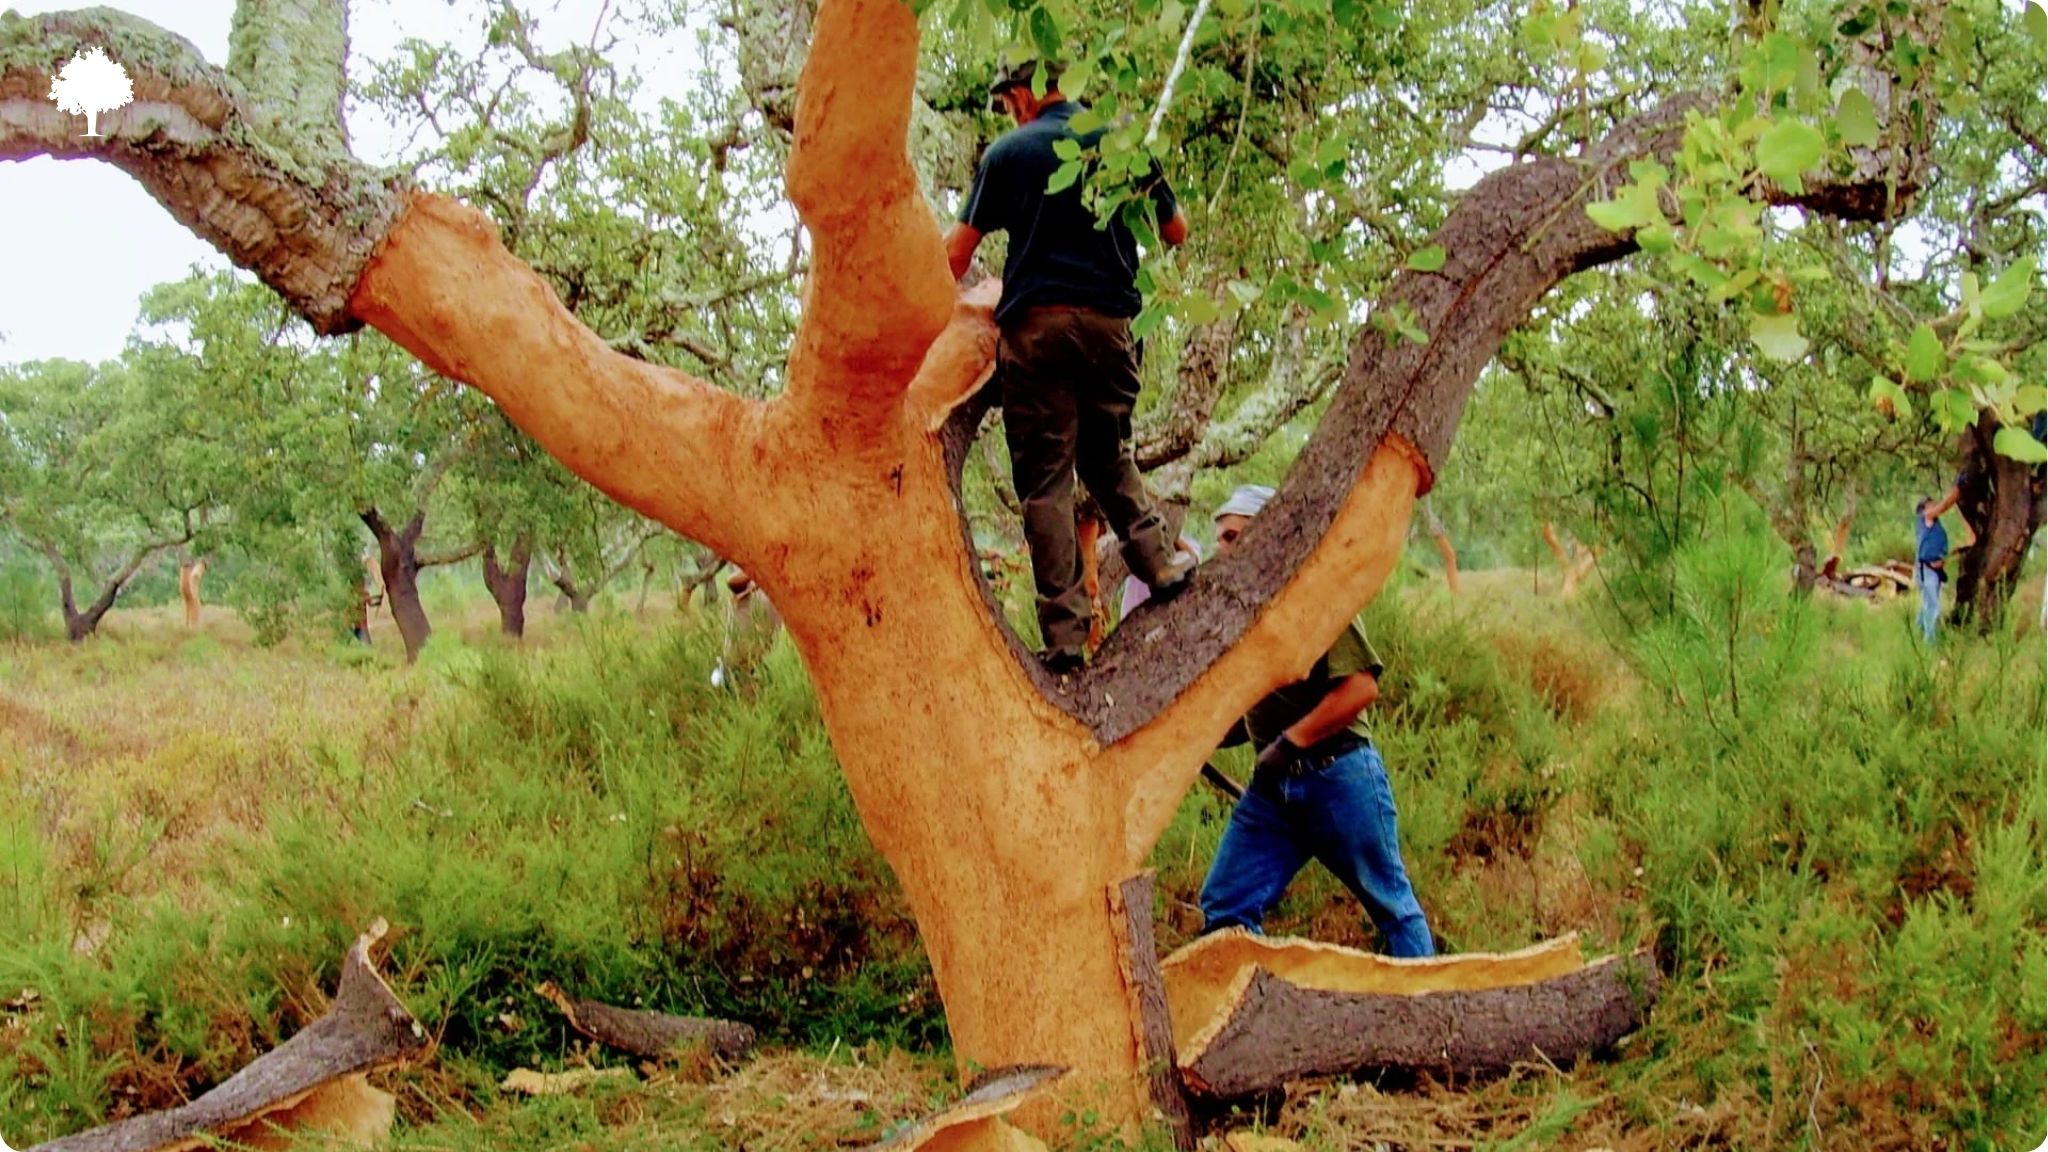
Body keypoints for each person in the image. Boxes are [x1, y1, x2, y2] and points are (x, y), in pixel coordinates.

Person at [943, 59, 1195, 675]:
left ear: (1024, 93)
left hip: (1039, 330)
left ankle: (1064, 639)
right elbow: (1177, 231)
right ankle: (1159, 562)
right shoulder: (1120, 142)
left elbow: (955, 256)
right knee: (1110, 455)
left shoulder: (1009, 153)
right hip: (1113, 328)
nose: (1009, 112)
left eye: (1008, 102)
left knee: (1047, 484)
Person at [1195, 485, 1435, 957]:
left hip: (1339, 777)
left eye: (1231, 537)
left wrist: (1289, 744)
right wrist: (1194, 743)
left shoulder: (1317, 593)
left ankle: (1431, 1016)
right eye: (1220, 539)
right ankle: (1255, 1018)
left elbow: (1362, 687)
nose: (1221, 550)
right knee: (1226, 906)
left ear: (1268, 536)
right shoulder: (1246, 616)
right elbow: (1256, 708)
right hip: (1274, 789)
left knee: (1393, 908)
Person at [1915, 497, 1949, 643]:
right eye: (1930, 506)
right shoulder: (1924, 522)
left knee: (1928, 602)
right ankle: (1930, 641)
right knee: (1933, 604)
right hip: (1926, 568)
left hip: (1936, 570)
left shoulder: (1938, 528)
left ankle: (1919, 629)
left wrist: (1942, 559)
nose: (1934, 508)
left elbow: (1943, 547)